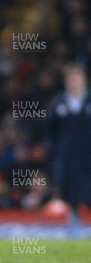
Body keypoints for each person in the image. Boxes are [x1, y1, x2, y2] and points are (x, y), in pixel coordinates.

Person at [46, 63, 91, 214]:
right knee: (69, 198)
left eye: (77, 78)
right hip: (67, 161)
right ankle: (73, 230)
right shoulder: (57, 104)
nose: (74, 82)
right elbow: (50, 132)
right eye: (71, 79)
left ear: (85, 80)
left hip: (88, 159)